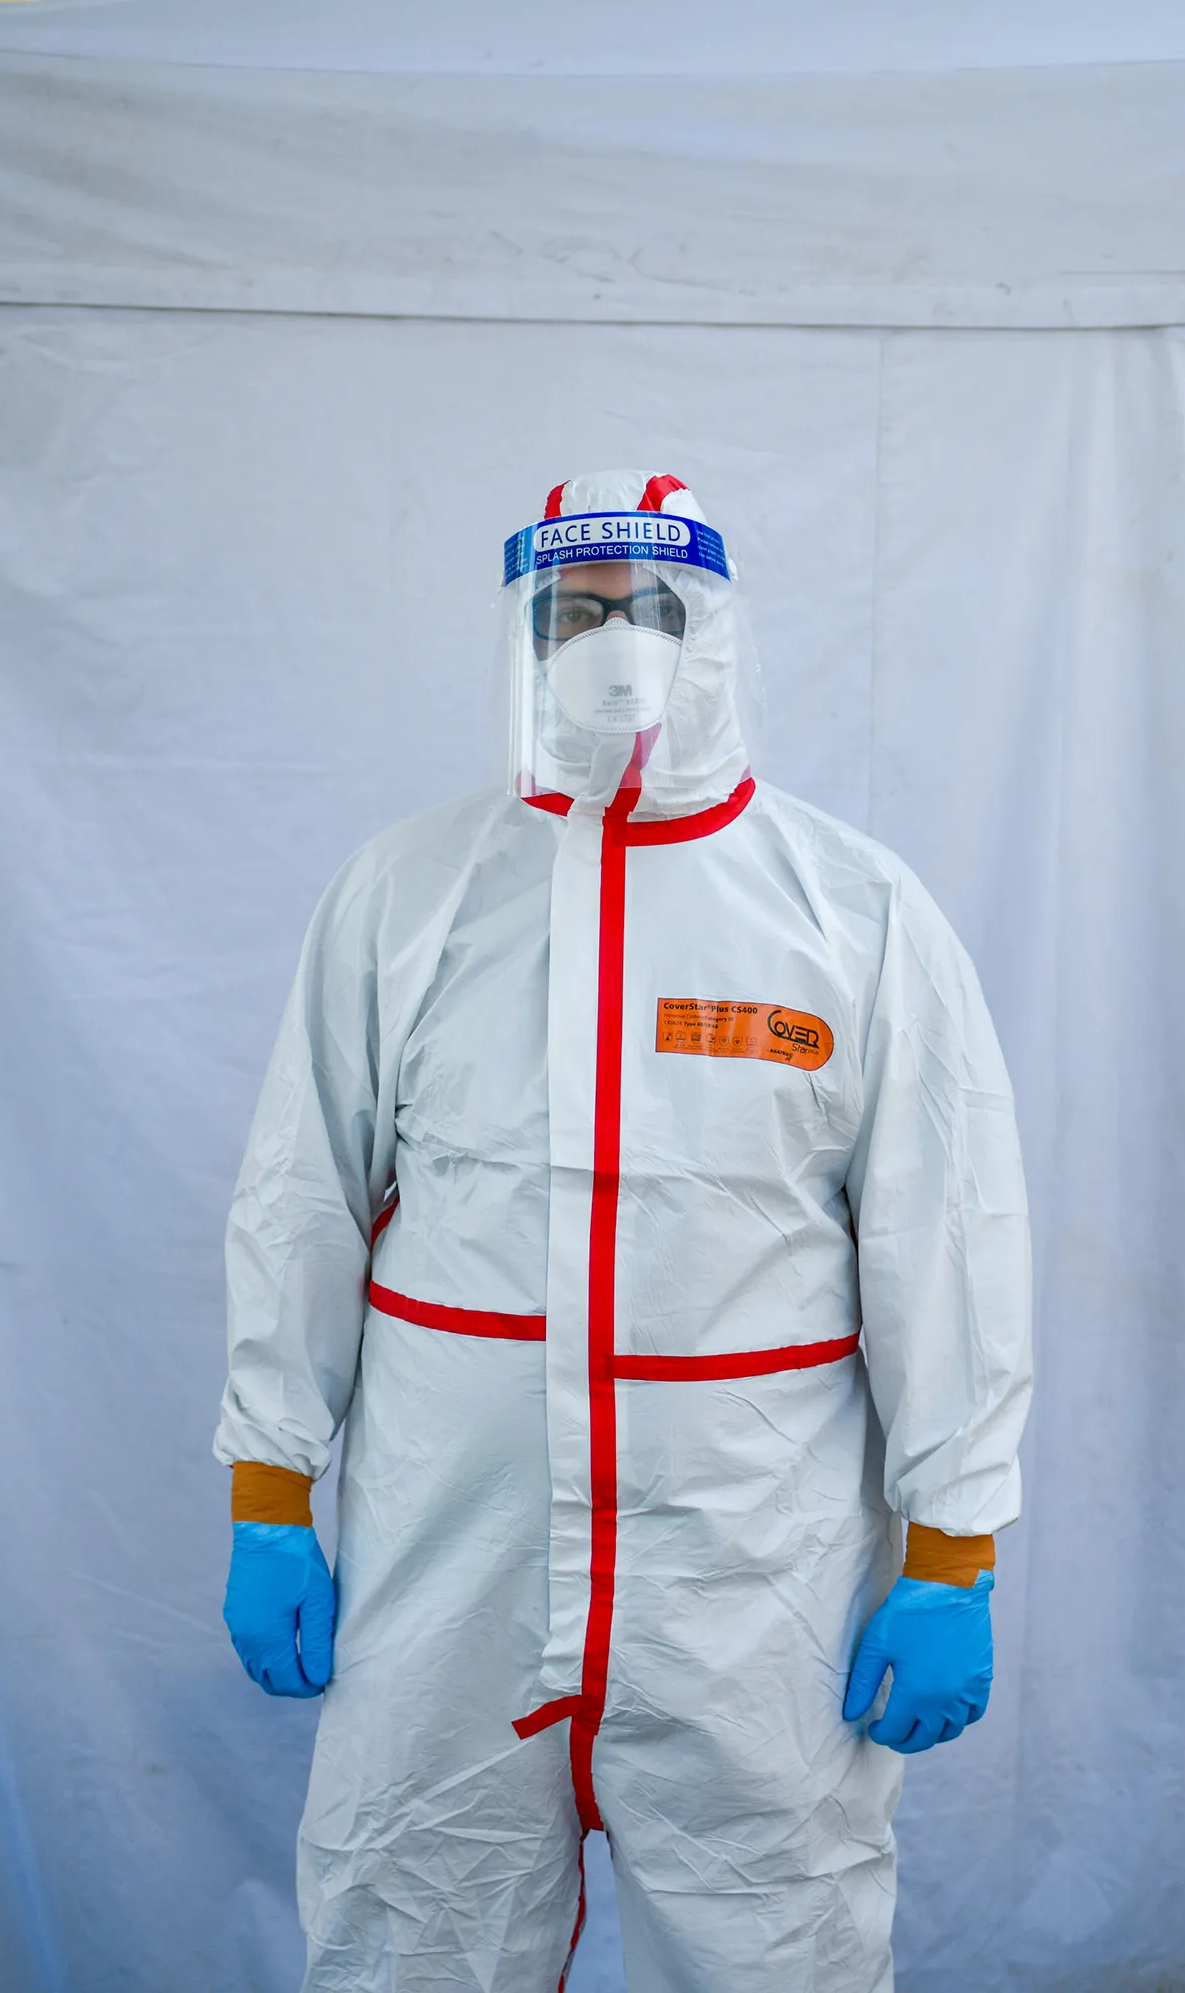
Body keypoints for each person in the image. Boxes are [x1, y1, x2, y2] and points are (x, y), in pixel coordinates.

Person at [215, 470, 1034, 1991]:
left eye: (655, 608)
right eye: (574, 611)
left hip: (747, 1588)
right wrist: (273, 1493)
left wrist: (953, 1554)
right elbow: (300, 1201)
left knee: (769, 1950)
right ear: (521, 638)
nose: (615, 642)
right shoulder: (410, 893)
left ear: (717, 634)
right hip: (448, 1578)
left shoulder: (848, 910)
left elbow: (951, 1247)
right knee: (409, 1938)